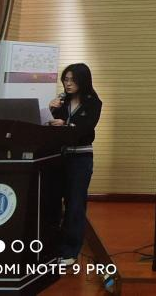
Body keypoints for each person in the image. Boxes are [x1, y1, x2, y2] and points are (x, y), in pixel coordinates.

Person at [46, 63, 102, 265]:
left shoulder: (93, 103)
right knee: (53, 201)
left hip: (80, 158)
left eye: (72, 80)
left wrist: (66, 125)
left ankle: (70, 251)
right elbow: (50, 129)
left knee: (75, 203)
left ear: (83, 81)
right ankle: (52, 247)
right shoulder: (61, 103)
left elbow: (86, 129)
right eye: (66, 80)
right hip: (59, 157)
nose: (68, 84)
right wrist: (50, 111)